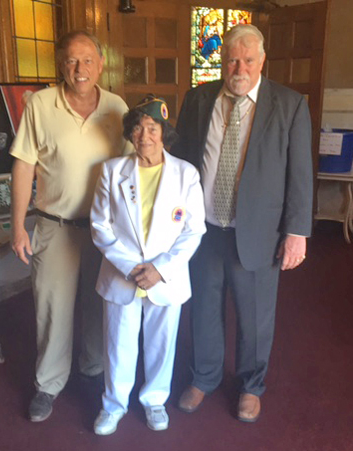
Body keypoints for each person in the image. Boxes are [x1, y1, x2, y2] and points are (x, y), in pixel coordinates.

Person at [171, 24, 313, 423]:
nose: (239, 67)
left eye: (248, 60)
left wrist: (297, 233)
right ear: (221, 61)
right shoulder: (198, 99)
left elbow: (300, 173)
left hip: (258, 234)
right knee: (204, 308)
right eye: (232, 59)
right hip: (204, 229)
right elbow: (181, 162)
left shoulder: (288, 104)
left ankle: (252, 385)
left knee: (254, 316)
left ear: (261, 61)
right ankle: (205, 376)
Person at [9, 30, 133, 422]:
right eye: (71, 61)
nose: (79, 70)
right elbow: (23, 164)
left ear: (101, 64)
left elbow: (133, 168)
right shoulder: (41, 104)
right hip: (54, 226)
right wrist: (17, 226)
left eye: (87, 61)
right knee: (52, 308)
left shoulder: (116, 106)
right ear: (61, 65)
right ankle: (48, 384)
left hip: (103, 230)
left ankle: (93, 370)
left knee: (101, 304)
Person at [90, 96, 206, 435]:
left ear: (163, 132)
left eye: (152, 128)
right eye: (138, 128)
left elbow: (193, 229)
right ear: (130, 133)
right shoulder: (112, 172)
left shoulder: (185, 174)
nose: (145, 136)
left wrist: (160, 268)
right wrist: (129, 266)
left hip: (165, 278)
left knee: (161, 342)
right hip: (121, 275)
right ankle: (113, 405)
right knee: (117, 343)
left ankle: (155, 400)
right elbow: (100, 226)